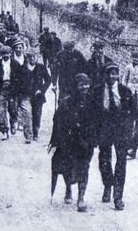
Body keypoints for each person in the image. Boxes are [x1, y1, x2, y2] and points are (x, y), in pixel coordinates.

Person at [49, 73, 97, 213]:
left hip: (86, 142)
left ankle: (81, 198)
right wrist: (56, 140)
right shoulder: (66, 102)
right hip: (70, 142)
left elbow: (98, 121)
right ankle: (68, 189)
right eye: (81, 84)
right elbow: (57, 121)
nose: (85, 87)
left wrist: (94, 138)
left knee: (84, 167)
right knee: (68, 168)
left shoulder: (93, 101)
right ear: (76, 86)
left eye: (87, 84)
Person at [94, 64, 138, 211]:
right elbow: (91, 112)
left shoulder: (125, 91)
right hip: (104, 130)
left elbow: (134, 112)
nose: (113, 77)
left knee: (121, 162)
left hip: (121, 131)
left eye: (115, 74)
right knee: (104, 161)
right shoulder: (97, 91)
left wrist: (130, 129)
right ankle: (108, 184)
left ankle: (118, 197)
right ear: (105, 75)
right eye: (110, 74)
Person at [23, 48, 52, 141]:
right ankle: (28, 135)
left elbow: (48, 80)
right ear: (27, 58)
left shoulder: (41, 67)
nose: (32, 59)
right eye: (30, 57)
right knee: (27, 114)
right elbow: (18, 80)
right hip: (26, 95)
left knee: (37, 114)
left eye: (34, 57)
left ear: (37, 57)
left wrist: (42, 90)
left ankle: (36, 132)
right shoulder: (23, 68)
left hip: (38, 96)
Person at [0, 45, 15, 140]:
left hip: (12, 88)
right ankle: (4, 130)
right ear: (1, 54)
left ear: (10, 53)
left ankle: (13, 122)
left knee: (12, 108)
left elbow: (19, 79)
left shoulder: (15, 64)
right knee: (1, 110)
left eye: (7, 53)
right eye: (3, 53)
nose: (5, 55)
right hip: (1, 88)